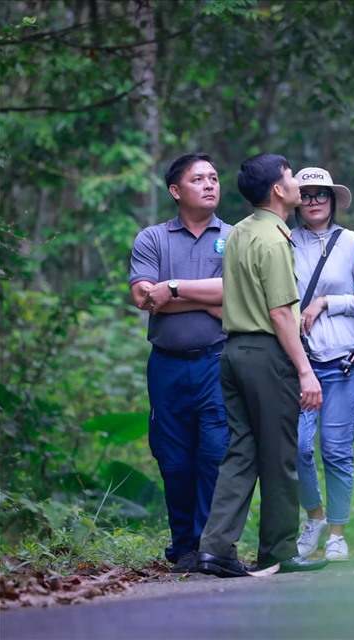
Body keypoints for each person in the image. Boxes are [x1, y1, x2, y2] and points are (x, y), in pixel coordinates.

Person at [196, 153, 328, 577]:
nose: (297, 185)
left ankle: (214, 547)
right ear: (277, 188)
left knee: (241, 451)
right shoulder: (274, 238)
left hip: (233, 353)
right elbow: (280, 313)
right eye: (291, 178)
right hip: (267, 355)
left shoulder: (238, 233)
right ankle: (278, 550)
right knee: (280, 456)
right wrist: (305, 370)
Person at [129, 152, 231, 573]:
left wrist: (171, 291)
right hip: (167, 366)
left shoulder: (235, 236)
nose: (209, 185)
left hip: (217, 363)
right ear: (175, 191)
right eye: (198, 179)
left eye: (213, 177)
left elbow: (236, 300)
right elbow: (143, 299)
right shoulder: (152, 238)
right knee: (173, 458)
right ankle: (184, 546)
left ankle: (212, 545)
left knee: (214, 454)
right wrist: (207, 297)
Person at [290, 167, 354, 562]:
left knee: (336, 450)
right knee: (299, 448)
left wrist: (327, 302)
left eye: (322, 194)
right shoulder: (285, 242)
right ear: (295, 202)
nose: (315, 201)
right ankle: (315, 517)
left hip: (343, 363)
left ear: (333, 199)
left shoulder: (352, 242)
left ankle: (337, 532)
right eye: (306, 195)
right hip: (300, 361)